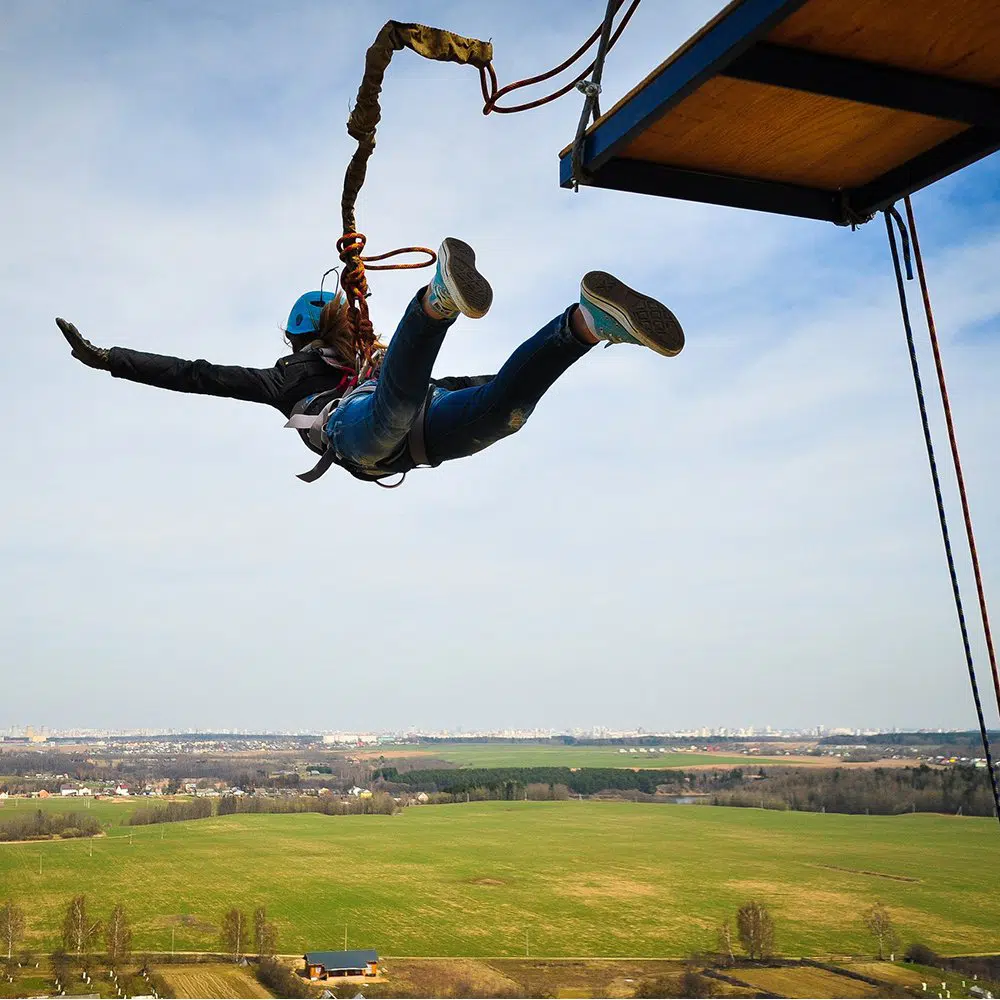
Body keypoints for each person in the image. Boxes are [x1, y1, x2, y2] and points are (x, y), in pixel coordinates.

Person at [55, 237, 684, 485]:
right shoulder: (289, 380)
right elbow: (193, 375)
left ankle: (584, 323)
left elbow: (437, 383)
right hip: (366, 433)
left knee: (505, 414)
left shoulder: (373, 364)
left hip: (395, 428)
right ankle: (438, 302)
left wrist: (501, 381)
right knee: (403, 399)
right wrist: (109, 358)